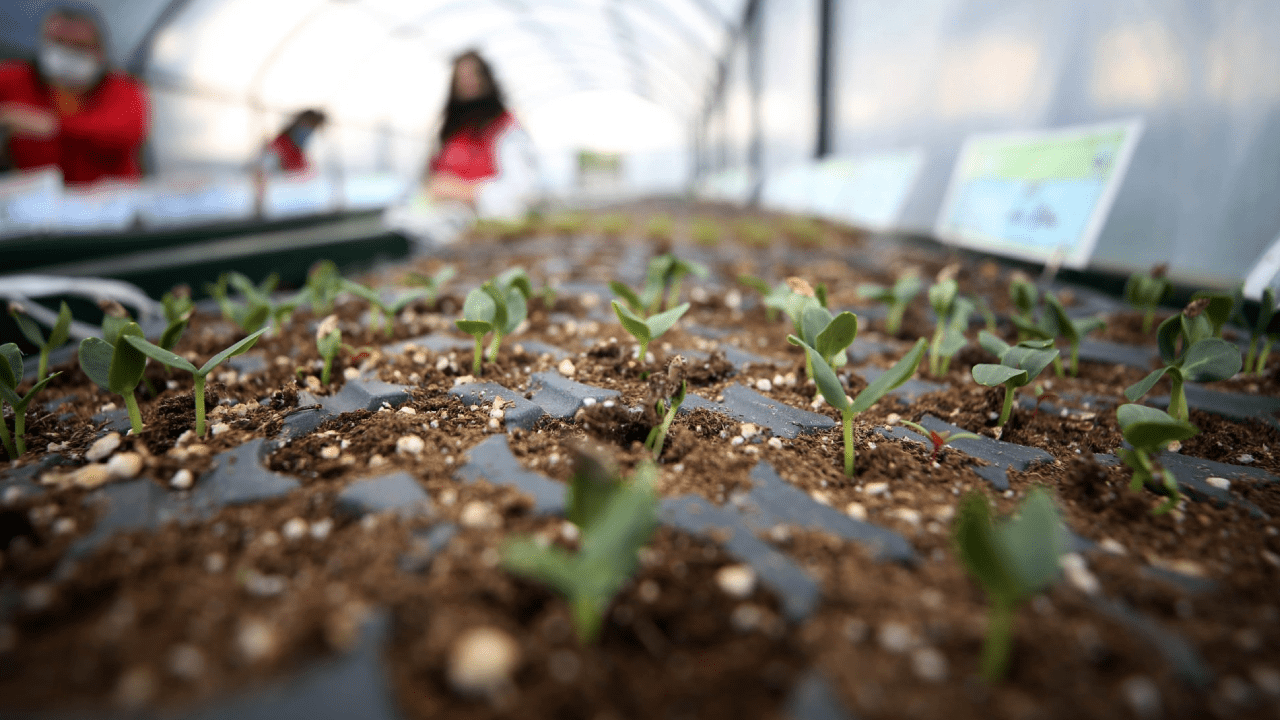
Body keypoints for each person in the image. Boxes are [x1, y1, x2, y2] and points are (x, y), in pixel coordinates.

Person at [384, 50, 540, 248]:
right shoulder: (449, 130)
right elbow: (426, 182)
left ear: (487, 78)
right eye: (461, 77)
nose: (468, 82)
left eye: (474, 74)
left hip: (487, 233)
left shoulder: (507, 128)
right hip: (442, 230)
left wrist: (464, 191)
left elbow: (521, 191)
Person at [0, 5, 149, 185]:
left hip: (108, 203)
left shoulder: (123, 88)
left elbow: (126, 131)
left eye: (79, 46)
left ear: (100, 53)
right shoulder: (16, 78)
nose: (67, 53)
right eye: (59, 43)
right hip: (35, 202)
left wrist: (53, 125)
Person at [260, 109, 327, 174]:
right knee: (301, 166)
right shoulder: (305, 126)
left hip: (288, 146)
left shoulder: (306, 125)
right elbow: (299, 141)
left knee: (302, 166)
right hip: (288, 145)